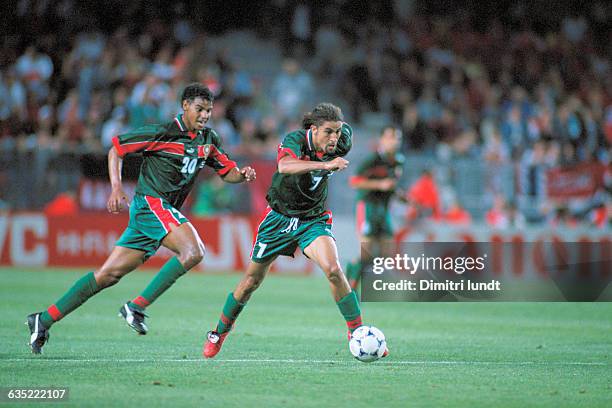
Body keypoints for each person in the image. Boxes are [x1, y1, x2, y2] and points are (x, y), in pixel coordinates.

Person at [26, 83, 256, 354]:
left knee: (108, 275)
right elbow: (116, 148)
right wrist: (115, 187)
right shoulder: (162, 132)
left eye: (208, 110)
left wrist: (241, 176)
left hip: (160, 212)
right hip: (151, 204)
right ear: (184, 106)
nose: (205, 115)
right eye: (199, 109)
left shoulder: (208, 139)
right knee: (193, 251)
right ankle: (136, 306)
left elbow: (226, 171)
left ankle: (44, 318)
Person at [202, 102, 387, 359]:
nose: (334, 138)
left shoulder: (342, 140)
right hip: (278, 218)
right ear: (313, 130)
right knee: (250, 282)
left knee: (333, 270)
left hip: (312, 220)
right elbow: (284, 166)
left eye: (337, 132)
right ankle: (219, 332)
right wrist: (324, 166)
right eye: (328, 132)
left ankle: (356, 331)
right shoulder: (295, 140)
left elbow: (342, 133)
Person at [345, 126, 404, 290]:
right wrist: (379, 184)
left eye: (397, 138)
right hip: (368, 206)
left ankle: (352, 270)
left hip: (384, 210)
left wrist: (400, 195)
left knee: (386, 253)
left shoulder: (399, 161)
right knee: (367, 251)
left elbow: (391, 185)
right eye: (391, 137)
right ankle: (351, 287)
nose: (395, 141)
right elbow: (354, 181)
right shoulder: (372, 160)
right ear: (382, 140)